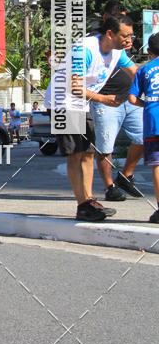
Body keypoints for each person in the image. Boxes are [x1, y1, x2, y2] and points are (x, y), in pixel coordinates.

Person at [51, 15, 136, 221]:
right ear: (110, 34)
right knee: (76, 154)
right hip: (63, 102)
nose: (129, 40)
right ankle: (82, 206)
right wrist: (104, 99)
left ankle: (89, 200)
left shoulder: (117, 52)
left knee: (88, 153)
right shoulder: (85, 49)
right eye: (125, 35)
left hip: (82, 103)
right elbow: (75, 86)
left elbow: (134, 71)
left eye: (131, 35)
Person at [89, 2, 144, 202]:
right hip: (106, 99)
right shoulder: (95, 39)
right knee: (105, 146)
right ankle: (109, 187)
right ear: (106, 20)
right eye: (116, 16)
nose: (122, 21)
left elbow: (134, 69)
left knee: (144, 136)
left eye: (123, 16)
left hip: (129, 96)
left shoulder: (124, 43)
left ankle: (125, 175)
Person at [128, 33, 159, 223]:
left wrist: (146, 104)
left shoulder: (144, 70)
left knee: (157, 165)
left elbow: (132, 98)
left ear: (148, 52)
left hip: (153, 122)